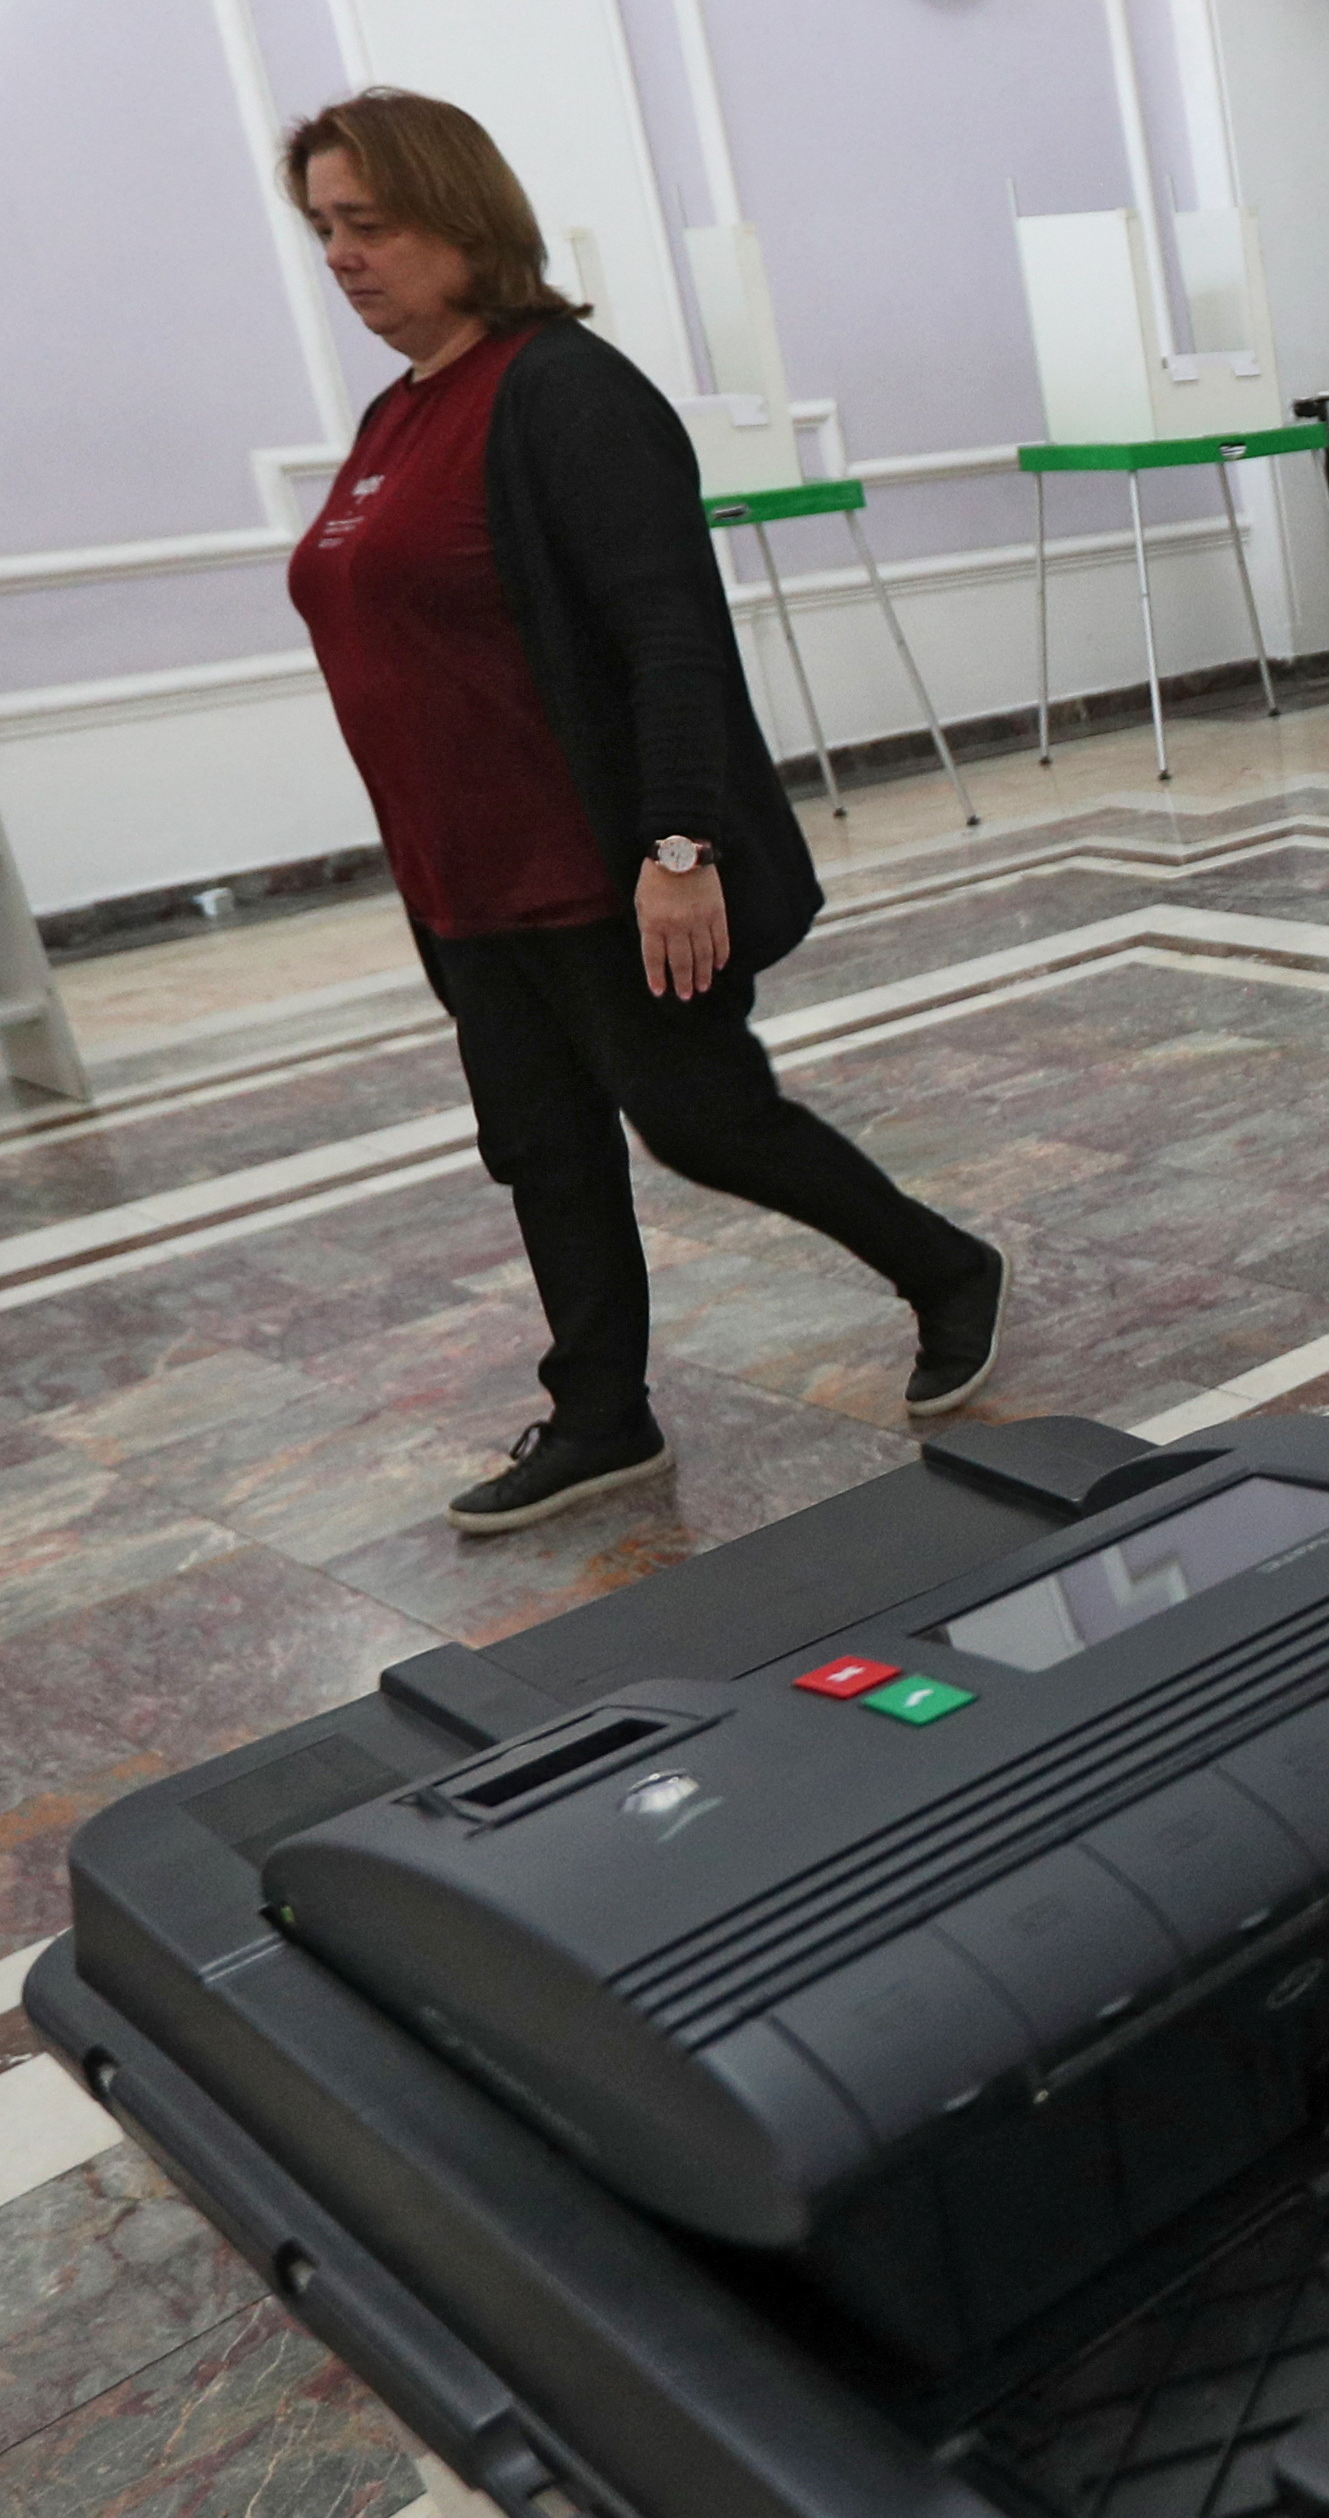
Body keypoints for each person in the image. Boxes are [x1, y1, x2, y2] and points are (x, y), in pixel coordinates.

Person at [281, 91, 1005, 1532]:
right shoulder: (394, 414)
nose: (344, 258)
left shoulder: (563, 391)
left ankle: (945, 1268)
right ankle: (602, 1415)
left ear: (465, 221)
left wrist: (678, 850)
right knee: (541, 1147)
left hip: (600, 873)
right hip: (467, 887)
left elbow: (670, 634)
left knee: (702, 1119)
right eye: (323, 231)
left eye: (371, 224)